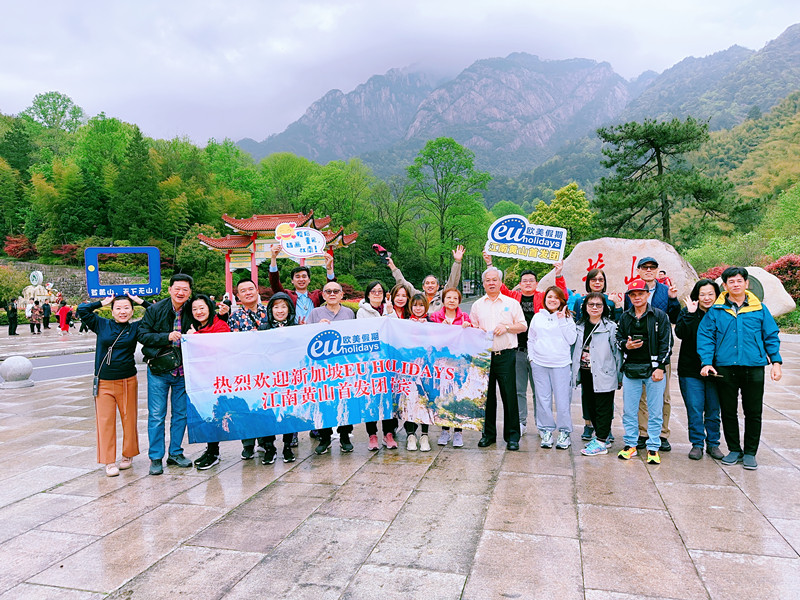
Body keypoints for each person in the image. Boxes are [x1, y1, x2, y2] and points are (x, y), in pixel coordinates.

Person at [697, 267, 783, 471]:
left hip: (754, 367)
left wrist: (776, 363)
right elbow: (706, 337)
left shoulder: (759, 308)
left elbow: (770, 335)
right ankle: (734, 449)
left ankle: (750, 452)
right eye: (731, 281)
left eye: (739, 281)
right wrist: (707, 362)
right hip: (725, 367)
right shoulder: (716, 311)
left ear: (746, 283)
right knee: (728, 411)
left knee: (753, 411)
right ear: (724, 285)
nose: (735, 284)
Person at [483, 252, 568, 436]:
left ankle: (542, 425)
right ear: (520, 284)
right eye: (525, 281)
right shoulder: (513, 297)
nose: (528, 283)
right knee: (519, 390)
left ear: (536, 283)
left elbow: (561, 296)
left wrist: (559, 274)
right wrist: (490, 264)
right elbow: (498, 285)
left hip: (540, 352)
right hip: (518, 351)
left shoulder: (543, 297)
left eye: (531, 280)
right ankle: (521, 422)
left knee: (541, 391)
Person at [78, 294, 150, 476]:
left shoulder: (135, 328)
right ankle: (109, 461)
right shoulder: (101, 324)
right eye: (118, 308)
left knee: (129, 419)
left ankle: (128, 454)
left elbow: (155, 312)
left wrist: (140, 301)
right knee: (105, 422)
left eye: (126, 307)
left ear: (132, 311)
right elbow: (82, 310)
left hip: (127, 381)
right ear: (111, 311)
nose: (122, 311)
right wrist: (102, 302)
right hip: (104, 382)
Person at [138, 274, 195, 476]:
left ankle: (175, 453)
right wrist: (166, 337)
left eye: (185, 289)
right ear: (170, 289)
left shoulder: (193, 309)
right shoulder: (155, 310)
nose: (180, 293)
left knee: (181, 414)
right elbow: (142, 334)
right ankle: (155, 457)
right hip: (159, 370)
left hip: (183, 371)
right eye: (177, 288)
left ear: (190, 292)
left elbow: (208, 324)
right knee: (156, 415)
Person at [624, 257, 680, 452]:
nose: (649, 270)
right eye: (645, 267)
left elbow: (675, 317)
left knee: (663, 395)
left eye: (652, 267)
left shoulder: (666, 290)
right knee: (640, 397)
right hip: (638, 354)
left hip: (660, 352)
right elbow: (627, 319)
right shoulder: (631, 291)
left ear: (657, 270)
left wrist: (673, 300)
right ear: (639, 270)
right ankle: (643, 432)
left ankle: (662, 434)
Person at [616, 279, 673, 465]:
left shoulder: (659, 316)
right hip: (631, 368)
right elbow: (618, 338)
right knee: (629, 410)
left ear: (648, 294)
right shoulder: (625, 317)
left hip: (653, 369)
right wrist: (626, 345)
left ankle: (653, 446)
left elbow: (667, 343)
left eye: (640, 294)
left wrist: (660, 367)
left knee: (655, 410)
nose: (637, 297)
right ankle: (630, 444)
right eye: (633, 294)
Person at [470, 267, 527, 451]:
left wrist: (507, 328)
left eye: (495, 279)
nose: (491, 283)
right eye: (488, 280)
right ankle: (488, 435)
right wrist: (474, 329)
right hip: (484, 356)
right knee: (487, 397)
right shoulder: (477, 305)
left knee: (509, 395)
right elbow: (472, 328)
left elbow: (523, 326)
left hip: (506, 355)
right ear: (484, 283)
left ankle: (512, 436)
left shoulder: (512, 303)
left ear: (501, 282)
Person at [567, 268, 622, 441]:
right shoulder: (580, 301)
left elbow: (618, 330)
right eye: (593, 279)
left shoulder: (610, 301)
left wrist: (618, 306)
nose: (597, 282)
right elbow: (577, 324)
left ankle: (604, 430)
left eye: (600, 279)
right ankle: (589, 424)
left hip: (603, 361)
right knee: (588, 396)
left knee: (604, 398)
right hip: (585, 365)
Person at [676, 279, 723, 461]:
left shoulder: (721, 312)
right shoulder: (688, 311)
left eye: (711, 294)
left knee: (713, 410)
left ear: (717, 295)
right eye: (702, 294)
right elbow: (680, 333)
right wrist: (690, 314)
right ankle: (697, 444)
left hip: (715, 369)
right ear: (697, 295)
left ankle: (713, 444)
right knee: (695, 408)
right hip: (690, 369)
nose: (707, 298)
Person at [309, 281, 357, 454]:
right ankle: (325, 437)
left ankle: (345, 435)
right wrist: (317, 328)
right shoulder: (315, 313)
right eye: (328, 291)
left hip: (343, 365)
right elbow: (306, 336)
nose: (332, 294)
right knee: (323, 402)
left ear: (342, 295)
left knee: (345, 400)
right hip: (322, 367)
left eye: (336, 291)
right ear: (323, 295)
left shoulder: (349, 313)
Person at [529, 286, 577, 449]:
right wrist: (532, 358)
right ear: (545, 299)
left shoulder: (567, 317)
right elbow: (531, 338)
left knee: (562, 400)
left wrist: (562, 320)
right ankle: (546, 430)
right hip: (539, 364)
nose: (552, 300)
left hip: (560, 364)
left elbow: (571, 340)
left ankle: (564, 432)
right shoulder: (538, 317)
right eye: (549, 297)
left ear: (561, 300)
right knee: (543, 399)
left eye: (556, 297)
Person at [187, 294, 232, 470]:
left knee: (215, 414)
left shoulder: (220, 325)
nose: (199, 312)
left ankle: (214, 452)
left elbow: (218, 345)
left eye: (202, 308)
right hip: (200, 378)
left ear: (210, 308)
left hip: (218, 378)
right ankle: (210, 449)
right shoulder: (194, 326)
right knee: (205, 413)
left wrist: (195, 336)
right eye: (195, 309)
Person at [357, 280, 399, 451]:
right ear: (368, 294)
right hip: (370, 362)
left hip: (387, 361)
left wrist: (390, 312)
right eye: (373, 291)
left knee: (388, 398)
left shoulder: (388, 308)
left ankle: (388, 434)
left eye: (380, 291)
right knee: (371, 398)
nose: (376, 294)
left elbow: (396, 329)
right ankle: (372, 435)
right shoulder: (362, 312)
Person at [428, 287, 472, 448]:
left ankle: (458, 432)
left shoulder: (465, 317)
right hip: (441, 363)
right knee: (443, 394)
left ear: (459, 301)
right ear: (443, 300)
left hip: (459, 364)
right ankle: (445, 430)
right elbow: (429, 336)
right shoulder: (436, 317)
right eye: (448, 298)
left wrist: (469, 327)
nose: (452, 300)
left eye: (455, 298)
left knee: (458, 394)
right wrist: (440, 327)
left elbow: (474, 337)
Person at [260, 292, 300, 464]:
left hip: (290, 379)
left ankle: (287, 447)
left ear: (289, 309)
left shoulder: (296, 328)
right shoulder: (263, 328)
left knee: (288, 412)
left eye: (284, 306)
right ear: (270, 309)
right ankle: (269, 447)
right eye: (276, 307)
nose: (280, 310)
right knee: (268, 413)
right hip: (268, 379)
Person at [386, 245, 465, 314]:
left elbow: (452, 282)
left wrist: (457, 262)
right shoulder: (417, 296)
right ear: (423, 287)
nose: (430, 285)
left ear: (437, 286)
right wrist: (393, 267)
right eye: (427, 283)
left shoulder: (443, 296)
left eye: (433, 283)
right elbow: (403, 283)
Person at [268, 244, 335, 324]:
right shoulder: (287, 295)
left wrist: (329, 268)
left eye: (304, 276)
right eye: (297, 277)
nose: (301, 279)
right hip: (294, 329)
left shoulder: (316, 295)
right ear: (292, 281)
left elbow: (331, 288)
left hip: (314, 329)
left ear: (309, 280)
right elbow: (274, 283)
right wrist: (273, 258)